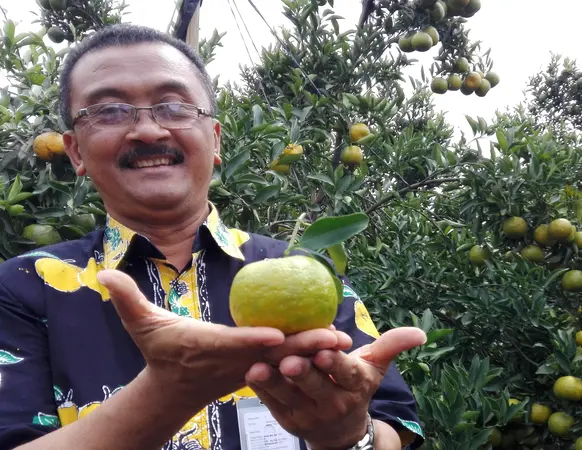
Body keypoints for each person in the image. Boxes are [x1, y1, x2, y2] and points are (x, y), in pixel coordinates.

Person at [0, 23, 427, 450]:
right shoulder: (25, 285)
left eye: (173, 106)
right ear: (75, 150)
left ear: (215, 137)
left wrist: (347, 435)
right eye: (109, 111)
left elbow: (393, 427)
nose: (148, 131)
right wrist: (168, 392)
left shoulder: (307, 272)